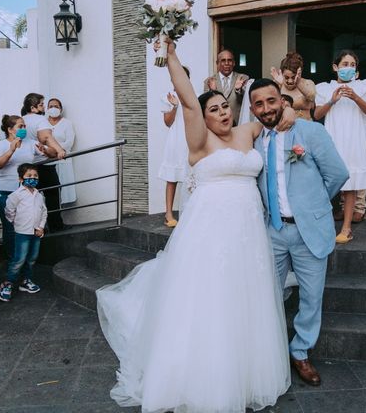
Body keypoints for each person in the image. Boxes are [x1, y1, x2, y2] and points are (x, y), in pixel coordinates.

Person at [97, 40, 297, 412]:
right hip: (210, 230)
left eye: (225, 107)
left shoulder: (248, 132)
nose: (222, 113)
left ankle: (246, 369)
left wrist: (288, 108)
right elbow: (189, 99)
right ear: (203, 118)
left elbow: (276, 115)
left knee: (246, 293)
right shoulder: (199, 141)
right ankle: (205, 375)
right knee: (209, 294)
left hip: (248, 229)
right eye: (214, 109)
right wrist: (172, 56)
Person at [250, 78, 348, 386]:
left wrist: (315, 205)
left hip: (309, 229)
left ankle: (301, 350)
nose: (266, 109)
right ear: (252, 109)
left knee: (311, 296)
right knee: (269, 294)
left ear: (282, 101)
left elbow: (337, 174)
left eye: (271, 101)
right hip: (273, 230)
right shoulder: (253, 141)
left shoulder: (309, 131)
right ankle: (272, 349)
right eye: (259, 104)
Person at [314, 50, 366, 243]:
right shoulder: (325, 89)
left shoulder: (364, 87)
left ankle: (346, 228)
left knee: (351, 184)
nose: (348, 68)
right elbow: (317, 115)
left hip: (353, 139)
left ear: (356, 70)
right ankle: (322, 226)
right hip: (333, 138)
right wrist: (332, 100)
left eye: (352, 65)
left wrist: (355, 97)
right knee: (325, 182)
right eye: (344, 64)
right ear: (335, 67)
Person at [0, 115, 37, 263]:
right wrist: (11, 150)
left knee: (27, 223)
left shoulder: (30, 143)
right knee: (10, 226)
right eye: (20, 126)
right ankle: (12, 260)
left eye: (24, 126)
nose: (24, 129)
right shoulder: (1, 145)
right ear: (10, 130)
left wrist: (50, 150)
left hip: (26, 190)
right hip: (6, 189)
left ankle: (25, 259)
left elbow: (50, 152)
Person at [0, 163, 47, 302]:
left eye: (35, 176)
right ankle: (8, 283)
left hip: (36, 232)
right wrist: (17, 224)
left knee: (32, 258)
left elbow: (44, 212)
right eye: (29, 176)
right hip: (21, 233)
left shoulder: (39, 195)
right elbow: (9, 212)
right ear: (21, 179)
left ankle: (26, 281)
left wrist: (41, 227)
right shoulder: (16, 195)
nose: (33, 178)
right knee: (19, 259)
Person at [20, 93, 66, 231]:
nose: (44, 107)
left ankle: (33, 226)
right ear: (33, 108)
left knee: (30, 197)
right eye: (41, 104)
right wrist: (59, 150)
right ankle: (56, 225)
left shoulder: (21, 120)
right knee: (52, 194)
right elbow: (46, 137)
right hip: (42, 164)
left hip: (26, 166)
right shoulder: (40, 120)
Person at [159, 66, 191, 227]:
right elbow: (167, 122)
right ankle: (169, 213)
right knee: (172, 177)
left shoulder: (195, 96)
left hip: (191, 140)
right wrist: (175, 106)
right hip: (176, 140)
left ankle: (190, 211)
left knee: (192, 177)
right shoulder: (168, 96)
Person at [203, 48, 250, 124]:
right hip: (217, 125)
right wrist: (213, 91)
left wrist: (238, 90)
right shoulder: (209, 81)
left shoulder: (243, 78)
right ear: (217, 63)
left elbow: (248, 100)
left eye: (229, 60)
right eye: (223, 60)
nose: (227, 63)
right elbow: (206, 105)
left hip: (238, 124)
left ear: (234, 63)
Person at [46, 98, 77, 205]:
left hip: (63, 159)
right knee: (50, 193)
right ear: (47, 109)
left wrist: (52, 150)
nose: (53, 108)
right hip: (47, 161)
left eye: (56, 106)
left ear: (61, 109)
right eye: (51, 106)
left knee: (64, 191)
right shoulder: (43, 123)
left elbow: (69, 142)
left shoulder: (67, 123)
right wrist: (50, 151)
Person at [271, 52, 317, 121]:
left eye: (293, 77)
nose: (290, 81)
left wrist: (299, 84)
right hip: (284, 126)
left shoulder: (307, 83)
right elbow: (271, 105)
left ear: (299, 73)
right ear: (282, 73)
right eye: (286, 77)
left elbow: (311, 96)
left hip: (305, 126)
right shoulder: (278, 84)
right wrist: (278, 85)